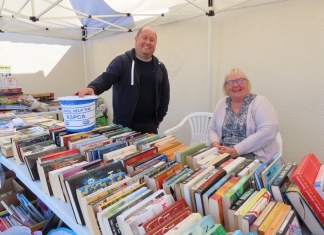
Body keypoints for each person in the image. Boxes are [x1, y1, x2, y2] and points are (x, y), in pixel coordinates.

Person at [74, 27, 170, 134]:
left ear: (155, 44)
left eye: (152, 40)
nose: (148, 42)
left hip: (150, 128)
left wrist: (159, 118)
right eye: (144, 38)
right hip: (123, 127)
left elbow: (165, 95)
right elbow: (106, 78)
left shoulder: (160, 68)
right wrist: (92, 88)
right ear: (136, 39)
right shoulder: (122, 62)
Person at [208, 68, 279, 162]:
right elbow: (212, 129)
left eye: (240, 81)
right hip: (224, 156)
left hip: (254, 157)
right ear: (225, 88)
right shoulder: (221, 104)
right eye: (230, 82)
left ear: (247, 84)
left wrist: (235, 151)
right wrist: (215, 145)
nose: (235, 85)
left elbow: (268, 131)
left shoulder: (260, 102)